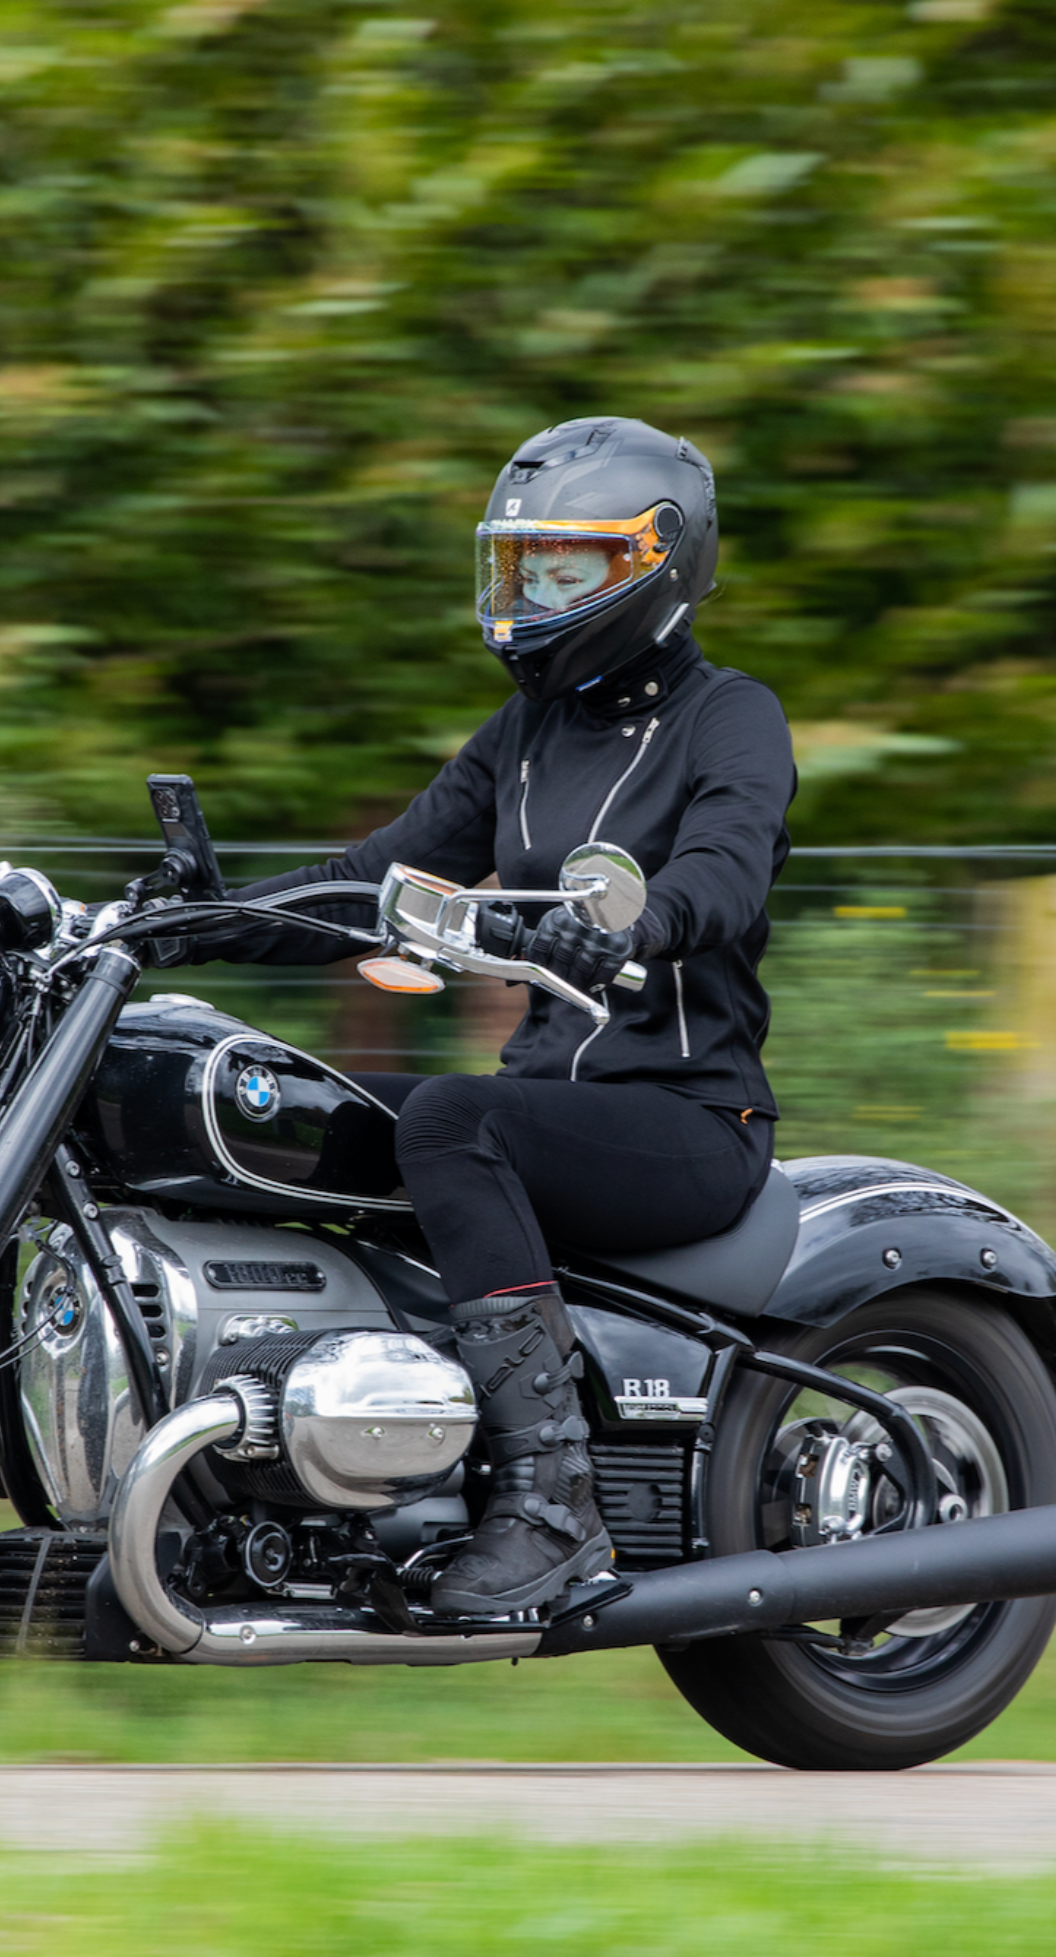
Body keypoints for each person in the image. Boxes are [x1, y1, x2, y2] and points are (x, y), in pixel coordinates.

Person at [204, 416, 796, 1616]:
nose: (527, 591)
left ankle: (551, 1500)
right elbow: (374, 876)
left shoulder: (729, 715)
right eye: (516, 565)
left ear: (653, 563)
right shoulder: (522, 738)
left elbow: (725, 872)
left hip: (686, 1117)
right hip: (551, 1113)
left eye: (561, 567)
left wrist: (633, 927)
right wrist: (181, 914)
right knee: (318, 1117)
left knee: (446, 1123)